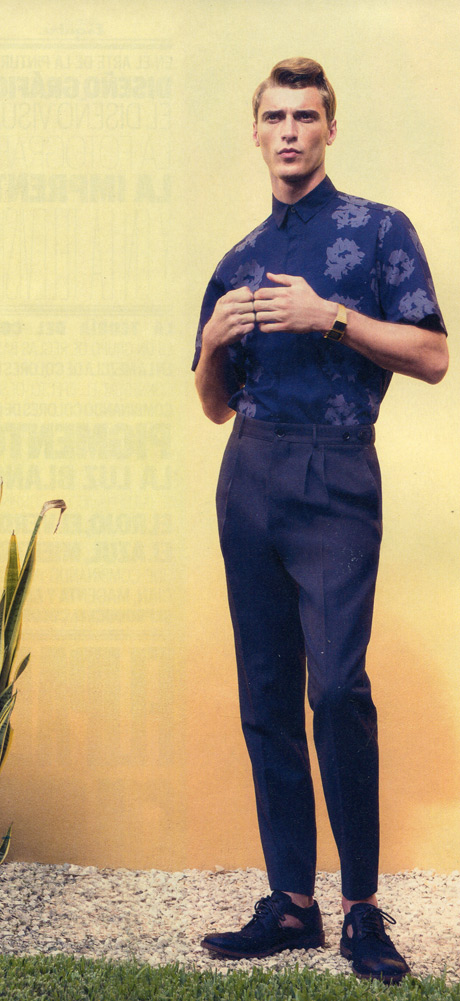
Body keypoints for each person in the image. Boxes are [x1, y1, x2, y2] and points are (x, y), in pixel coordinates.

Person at [192, 58, 448, 984]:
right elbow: (214, 403)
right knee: (266, 694)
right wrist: (212, 345)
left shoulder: (380, 230)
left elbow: (433, 354)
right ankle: (292, 902)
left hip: (337, 471)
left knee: (336, 688)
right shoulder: (237, 259)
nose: (291, 131)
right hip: (250, 472)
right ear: (256, 132)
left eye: (306, 116)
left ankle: (362, 909)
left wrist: (327, 315)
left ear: (330, 129)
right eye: (276, 117)